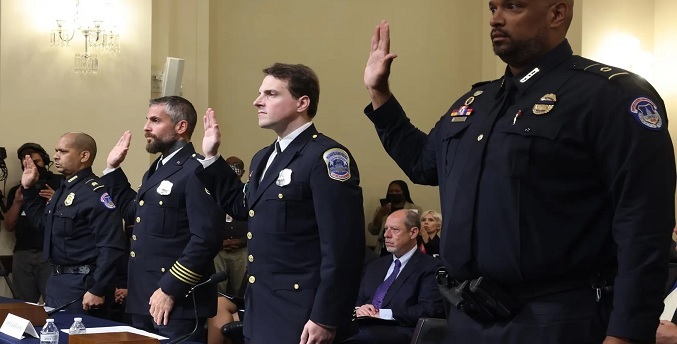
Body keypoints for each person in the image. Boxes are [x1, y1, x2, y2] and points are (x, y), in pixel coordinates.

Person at [362, 0, 675, 342]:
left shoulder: (609, 95)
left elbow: (643, 224)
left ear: (557, 13)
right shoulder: (477, 102)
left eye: (512, 6)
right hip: (468, 318)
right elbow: (423, 163)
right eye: (493, 8)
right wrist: (380, 94)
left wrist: (627, 333)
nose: (496, 19)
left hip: (555, 319)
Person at [199, 63, 365, 344]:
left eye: (271, 94)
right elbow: (242, 206)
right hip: (261, 307)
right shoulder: (264, 157)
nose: (257, 101)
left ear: (302, 102)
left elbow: (343, 249)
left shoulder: (325, 157)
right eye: (260, 93)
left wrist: (326, 316)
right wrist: (213, 158)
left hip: (303, 313)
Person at [103, 96, 224, 340]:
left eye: (155, 120)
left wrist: (170, 289)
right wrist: (113, 170)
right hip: (144, 297)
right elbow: (134, 214)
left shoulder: (197, 170)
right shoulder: (157, 170)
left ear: (181, 127)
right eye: (147, 120)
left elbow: (206, 240)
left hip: (177, 301)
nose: (146, 127)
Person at [20, 133, 125, 317]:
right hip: (57, 280)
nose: (55, 156)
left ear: (84, 156)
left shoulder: (95, 193)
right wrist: (28, 190)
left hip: (84, 285)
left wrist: (98, 288)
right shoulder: (64, 189)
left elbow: (111, 245)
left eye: (63, 151)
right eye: (55, 151)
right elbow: (42, 224)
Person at [346, 209, 444, 344]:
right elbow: (358, 298)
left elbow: (428, 310)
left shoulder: (430, 267)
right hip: (363, 325)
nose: (386, 235)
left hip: (401, 329)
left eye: (395, 229)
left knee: (358, 337)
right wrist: (359, 309)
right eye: (386, 229)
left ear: (413, 232)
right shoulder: (375, 265)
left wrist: (383, 314)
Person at [3, 143, 62, 303]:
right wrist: (17, 202)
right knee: (23, 304)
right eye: (28, 163)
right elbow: (8, 226)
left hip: (51, 253)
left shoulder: (60, 183)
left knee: (54, 302)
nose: (34, 166)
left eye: (37, 162)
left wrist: (56, 198)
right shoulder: (18, 189)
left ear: (45, 161)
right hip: (23, 253)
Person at [214, 156, 249, 297]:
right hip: (218, 249)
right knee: (218, 290)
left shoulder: (247, 193)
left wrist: (241, 241)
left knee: (240, 289)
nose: (232, 170)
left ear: (242, 172)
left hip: (241, 249)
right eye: (229, 167)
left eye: (236, 167)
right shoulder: (215, 193)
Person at [367, 180, 422, 256]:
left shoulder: (414, 209)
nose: (394, 193)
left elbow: (418, 231)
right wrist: (380, 215)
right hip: (384, 249)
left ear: (404, 192)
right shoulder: (382, 209)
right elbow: (373, 231)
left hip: (404, 249)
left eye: (397, 191)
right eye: (391, 191)